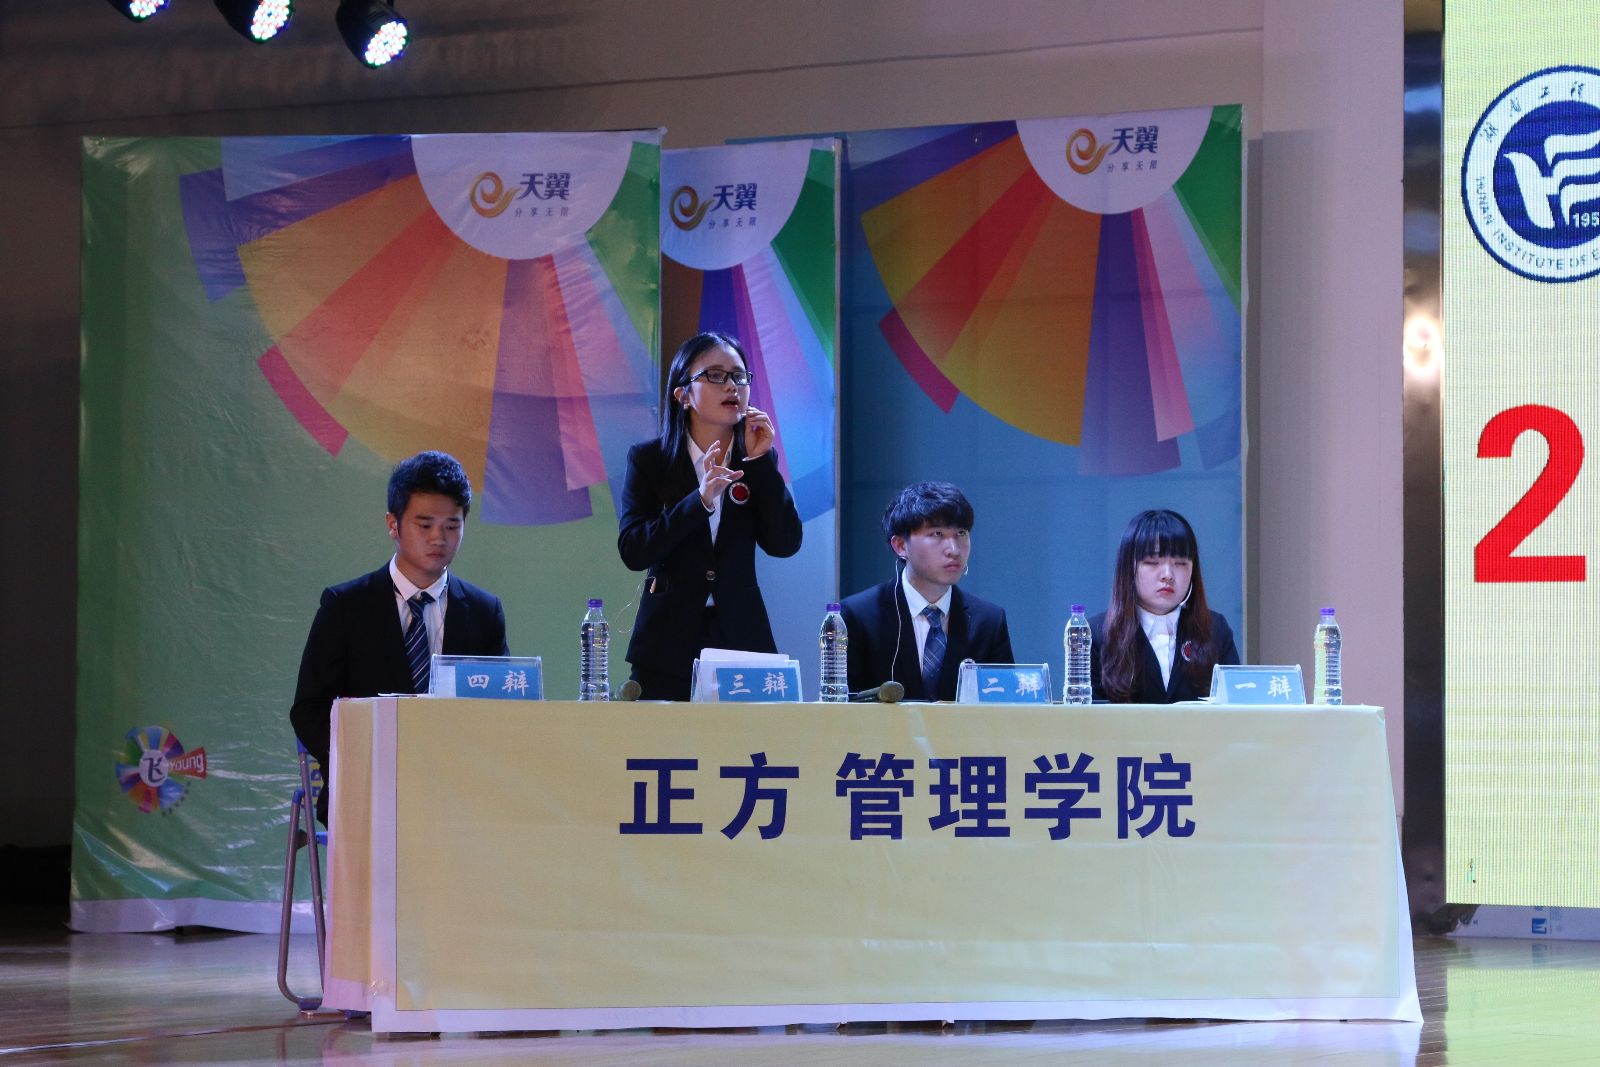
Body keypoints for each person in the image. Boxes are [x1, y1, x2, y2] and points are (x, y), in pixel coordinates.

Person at [290, 451, 508, 822]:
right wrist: (367, 758)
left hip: (459, 800)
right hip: (367, 794)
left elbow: (501, 711)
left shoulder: (484, 612)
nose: (439, 538)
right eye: (425, 525)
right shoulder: (345, 606)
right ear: (393, 525)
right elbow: (309, 709)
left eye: (451, 526)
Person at [617, 331, 803, 700]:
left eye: (739, 376)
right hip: (666, 641)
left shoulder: (756, 457)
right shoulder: (650, 460)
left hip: (741, 637)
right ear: (683, 394)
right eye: (716, 375)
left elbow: (785, 543)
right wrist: (699, 501)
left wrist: (760, 463)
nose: (732, 386)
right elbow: (634, 550)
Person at [839, 481, 1013, 702]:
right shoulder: (857, 616)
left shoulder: (988, 621)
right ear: (901, 546)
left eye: (961, 533)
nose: (954, 550)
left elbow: (1005, 708)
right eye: (937, 534)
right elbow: (843, 708)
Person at [1089, 508, 1239, 704]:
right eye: (1152, 562)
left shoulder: (1215, 629)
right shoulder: (1096, 634)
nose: (1168, 575)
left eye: (1180, 563)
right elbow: (1086, 716)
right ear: (1128, 568)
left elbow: (1235, 707)